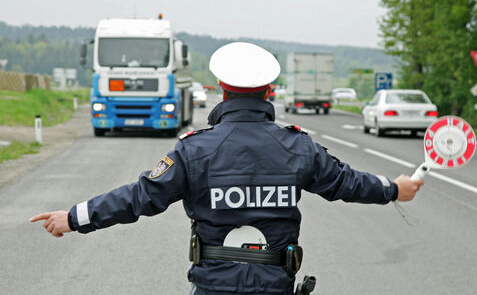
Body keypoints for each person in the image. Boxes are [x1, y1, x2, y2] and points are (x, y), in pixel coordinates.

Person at [30, 42, 423, 295]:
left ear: (221, 86)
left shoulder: (194, 149)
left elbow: (140, 197)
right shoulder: (298, 146)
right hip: (275, 286)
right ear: (269, 91)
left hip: (212, 287)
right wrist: (395, 188)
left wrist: (75, 217)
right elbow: (347, 183)